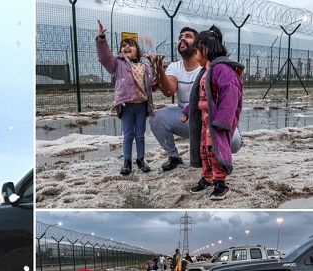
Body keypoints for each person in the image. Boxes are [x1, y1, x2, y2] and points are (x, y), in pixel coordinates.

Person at [149, 27, 241, 172]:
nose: (182, 39)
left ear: (199, 44)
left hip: (211, 117)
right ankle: (174, 157)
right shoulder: (175, 66)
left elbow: (228, 97)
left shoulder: (213, 67)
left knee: (234, 143)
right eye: (180, 37)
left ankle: (219, 161)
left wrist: (223, 121)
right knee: (156, 117)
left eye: (188, 36)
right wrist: (159, 69)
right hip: (186, 117)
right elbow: (170, 92)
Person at [182, 26, 244, 200]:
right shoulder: (206, 71)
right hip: (204, 119)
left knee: (216, 150)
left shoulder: (223, 70)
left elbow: (230, 96)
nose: (195, 56)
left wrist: (223, 120)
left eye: (196, 53)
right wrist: (188, 110)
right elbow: (197, 96)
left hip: (216, 121)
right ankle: (208, 177)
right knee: (205, 150)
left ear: (205, 49)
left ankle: (220, 183)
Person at [96, 20, 156, 175]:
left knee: (140, 135)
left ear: (138, 50)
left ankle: (141, 159)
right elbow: (105, 58)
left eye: (131, 45)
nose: (127, 47)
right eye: (124, 45)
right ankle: (127, 162)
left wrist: (154, 64)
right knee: (128, 135)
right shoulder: (118, 64)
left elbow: (153, 85)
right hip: (126, 105)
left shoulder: (146, 67)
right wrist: (102, 39)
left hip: (142, 106)